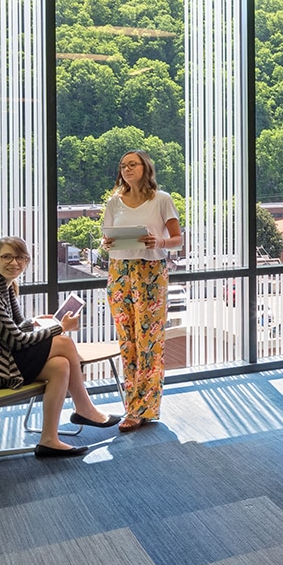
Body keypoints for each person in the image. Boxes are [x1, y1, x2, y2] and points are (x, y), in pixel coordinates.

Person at [0, 237, 122, 458]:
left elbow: (17, 326)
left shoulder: (5, 285)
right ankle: (84, 408)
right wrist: (59, 327)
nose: (15, 263)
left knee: (60, 365)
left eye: (21, 258)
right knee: (64, 341)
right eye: (7, 257)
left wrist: (36, 321)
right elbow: (16, 341)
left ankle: (49, 439)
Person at [101, 150, 181, 430]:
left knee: (148, 342)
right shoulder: (114, 203)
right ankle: (131, 406)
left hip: (150, 273)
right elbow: (106, 239)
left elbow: (178, 240)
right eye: (122, 165)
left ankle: (142, 408)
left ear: (145, 167)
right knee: (128, 342)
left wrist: (158, 241)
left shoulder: (162, 200)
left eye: (132, 164)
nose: (126, 169)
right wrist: (107, 244)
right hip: (119, 272)